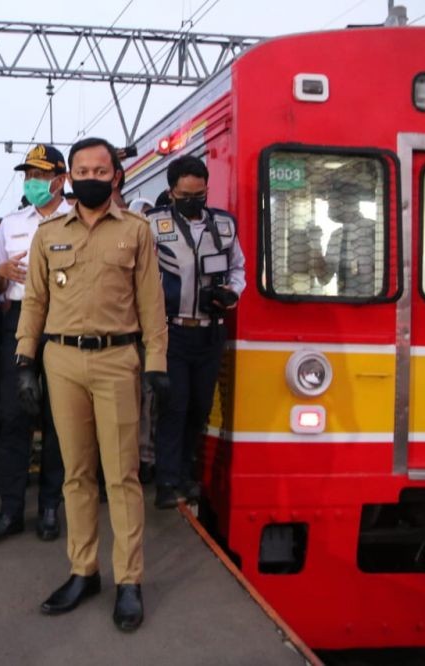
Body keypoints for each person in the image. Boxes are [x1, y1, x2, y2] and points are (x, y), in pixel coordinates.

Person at [17, 137, 169, 631]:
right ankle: (84, 570)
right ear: (70, 175)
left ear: (115, 177)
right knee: (75, 473)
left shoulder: (137, 231)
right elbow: (34, 302)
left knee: (121, 477)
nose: (90, 177)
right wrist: (25, 359)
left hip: (116, 360)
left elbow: (151, 303)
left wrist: (157, 363)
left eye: (100, 171)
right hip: (61, 361)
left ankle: (129, 579)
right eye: (81, 169)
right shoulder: (47, 234)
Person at [0, 144, 70, 543]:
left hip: (64, 323)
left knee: (59, 421)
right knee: (12, 416)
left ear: (60, 179)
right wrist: (0, 273)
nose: (33, 183)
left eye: (40, 176)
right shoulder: (11, 223)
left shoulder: (78, 221)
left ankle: (50, 506)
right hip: (18, 324)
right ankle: (10, 509)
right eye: (28, 176)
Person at [147, 155, 245, 510]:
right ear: (172, 192)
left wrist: (232, 293)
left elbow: (238, 268)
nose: (193, 200)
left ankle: (188, 476)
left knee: (200, 408)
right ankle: (166, 481)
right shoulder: (152, 226)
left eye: (199, 193)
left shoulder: (224, 226)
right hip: (172, 332)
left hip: (211, 331)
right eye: (185, 194)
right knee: (174, 406)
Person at [309, 180, 378, 298]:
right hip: (344, 304)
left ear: (348, 202)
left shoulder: (374, 230)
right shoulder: (336, 236)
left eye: (332, 203)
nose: (329, 209)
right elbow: (323, 278)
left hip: (373, 305)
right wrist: (315, 243)